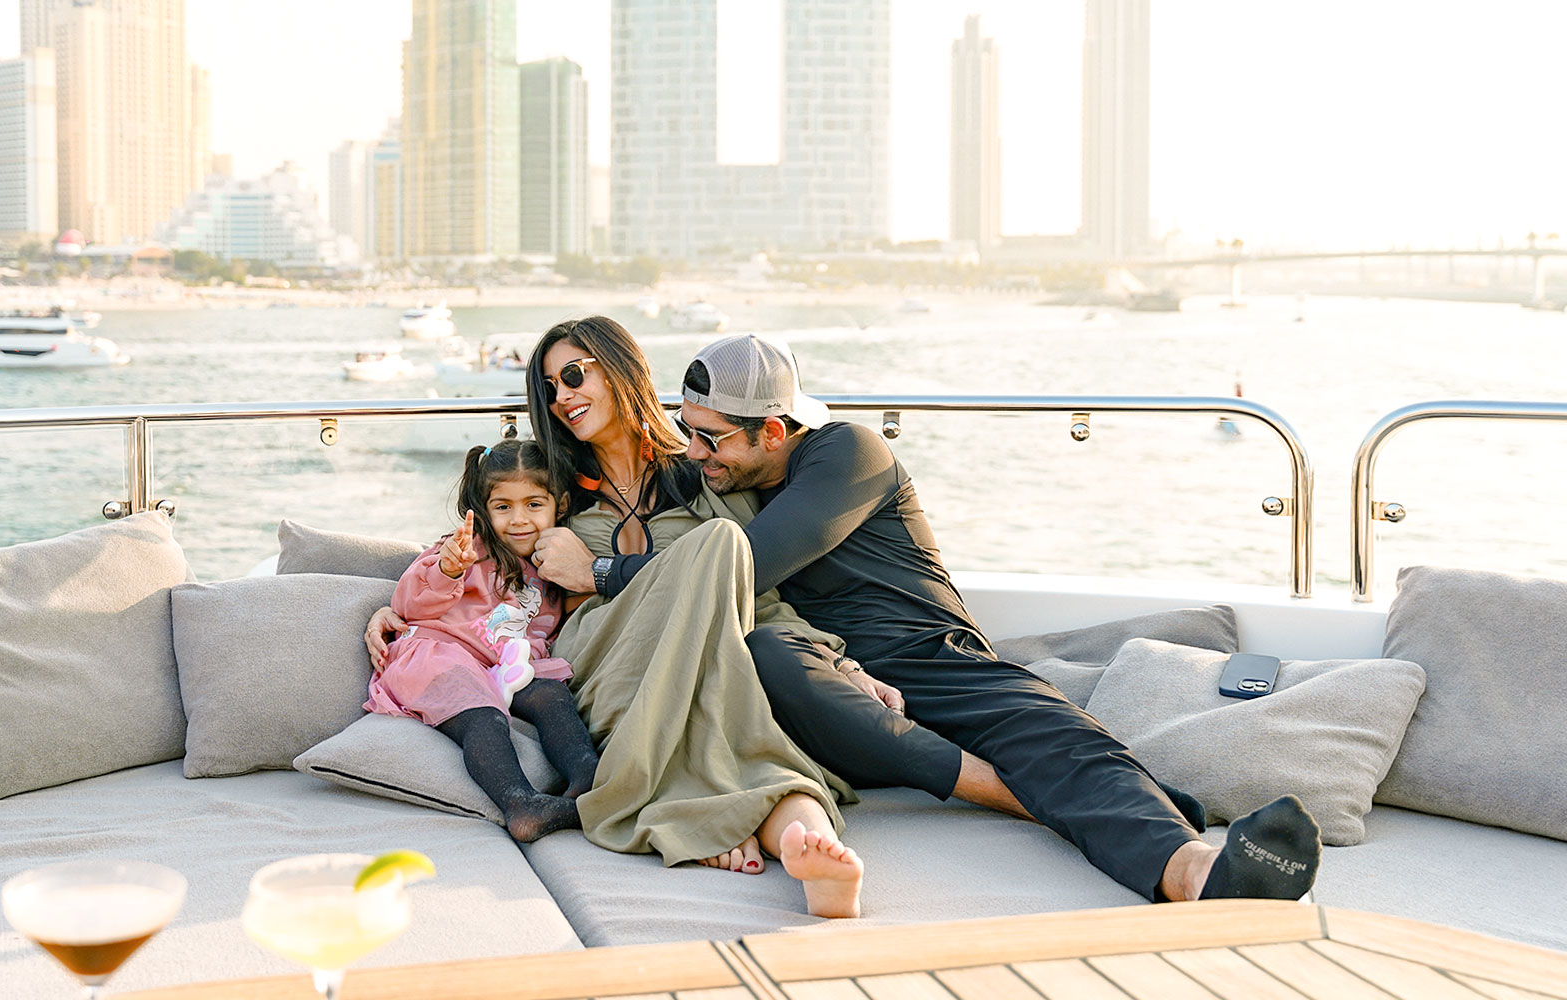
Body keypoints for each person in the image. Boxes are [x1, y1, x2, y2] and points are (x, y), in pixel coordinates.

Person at [534, 331, 1325, 905]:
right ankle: (1030, 798)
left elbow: (749, 561)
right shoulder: (716, 478)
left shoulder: (847, 453)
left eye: (710, 438)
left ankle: (1195, 873)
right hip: (827, 686)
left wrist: (602, 571)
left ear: (772, 431)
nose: (694, 451)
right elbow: (637, 512)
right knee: (766, 655)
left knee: (1048, 729)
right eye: (688, 431)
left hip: (930, 659)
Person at [370, 317, 866, 918]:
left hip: (702, 649)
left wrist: (837, 662)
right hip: (601, 655)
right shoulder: (553, 487)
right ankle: (718, 817)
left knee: (738, 704)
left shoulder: (704, 470)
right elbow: (477, 558)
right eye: (550, 388)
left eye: (575, 376)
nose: (563, 398)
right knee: (719, 551)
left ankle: (809, 845)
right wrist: (393, 612)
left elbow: (757, 593)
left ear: (622, 369)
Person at [365, 440, 600, 843]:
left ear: (559, 505)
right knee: (482, 716)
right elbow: (409, 603)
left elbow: (540, 632)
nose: (519, 519)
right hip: (439, 656)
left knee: (551, 697)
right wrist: (448, 570)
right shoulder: (465, 552)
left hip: (499, 665)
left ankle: (589, 782)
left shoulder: (553, 567)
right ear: (485, 510)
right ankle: (521, 804)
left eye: (533, 504)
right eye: (503, 507)